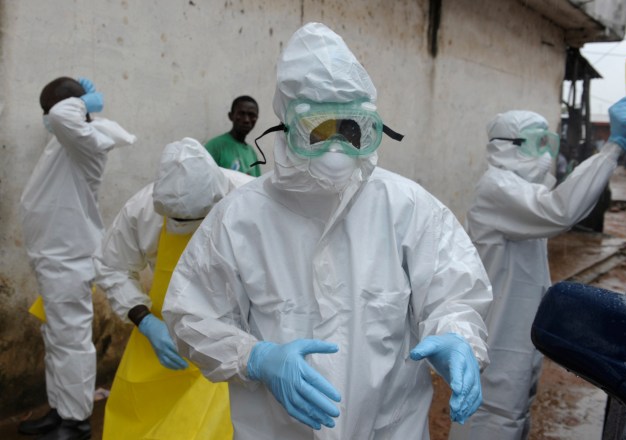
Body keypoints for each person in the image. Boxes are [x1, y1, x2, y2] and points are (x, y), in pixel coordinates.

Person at [163, 22, 492, 440]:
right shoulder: (239, 217)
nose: (336, 147)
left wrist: (456, 336)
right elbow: (190, 313)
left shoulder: (407, 206)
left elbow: (454, 292)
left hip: (391, 428)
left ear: (370, 128)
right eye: (318, 129)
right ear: (288, 125)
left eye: (350, 128)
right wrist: (255, 357)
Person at [449, 96, 626, 440]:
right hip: (500, 337)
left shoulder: (520, 191)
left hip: (518, 333)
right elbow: (561, 211)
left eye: (548, 142)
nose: (546, 154)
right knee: (493, 418)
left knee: (512, 416)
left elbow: (562, 203)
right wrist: (613, 147)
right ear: (508, 146)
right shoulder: (498, 188)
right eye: (539, 143)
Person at [94, 138, 253, 439]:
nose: (186, 227)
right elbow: (111, 266)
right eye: (178, 220)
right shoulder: (141, 210)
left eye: (196, 219)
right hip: (166, 334)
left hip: (234, 335)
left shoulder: (249, 198)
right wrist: (145, 321)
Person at [19, 77, 136, 440]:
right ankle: (60, 410)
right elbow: (60, 115)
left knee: (71, 340)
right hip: (54, 258)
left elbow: (61, 114)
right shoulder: (68, 139)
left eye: (49, 109)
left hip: (68, 258)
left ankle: (77, 421)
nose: (47, 118)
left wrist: (83, 101)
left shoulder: (87, 139)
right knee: (57, 338)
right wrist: (76, 104)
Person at [204, 95, 261, 177]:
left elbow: (256, 185)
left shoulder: (252, 153)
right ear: (231, 116)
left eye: (251, 115)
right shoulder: (215, 146)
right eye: (241, 113)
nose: (246, 120)